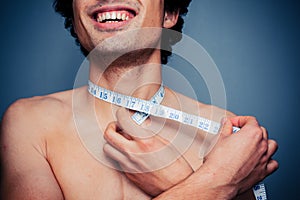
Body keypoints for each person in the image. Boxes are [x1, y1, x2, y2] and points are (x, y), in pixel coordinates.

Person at [0, 0, 278, 199]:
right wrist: (214, 182)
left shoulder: (225, 133)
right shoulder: (30, 122)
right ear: (74, 16)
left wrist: (183, 182)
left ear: (169, 13)